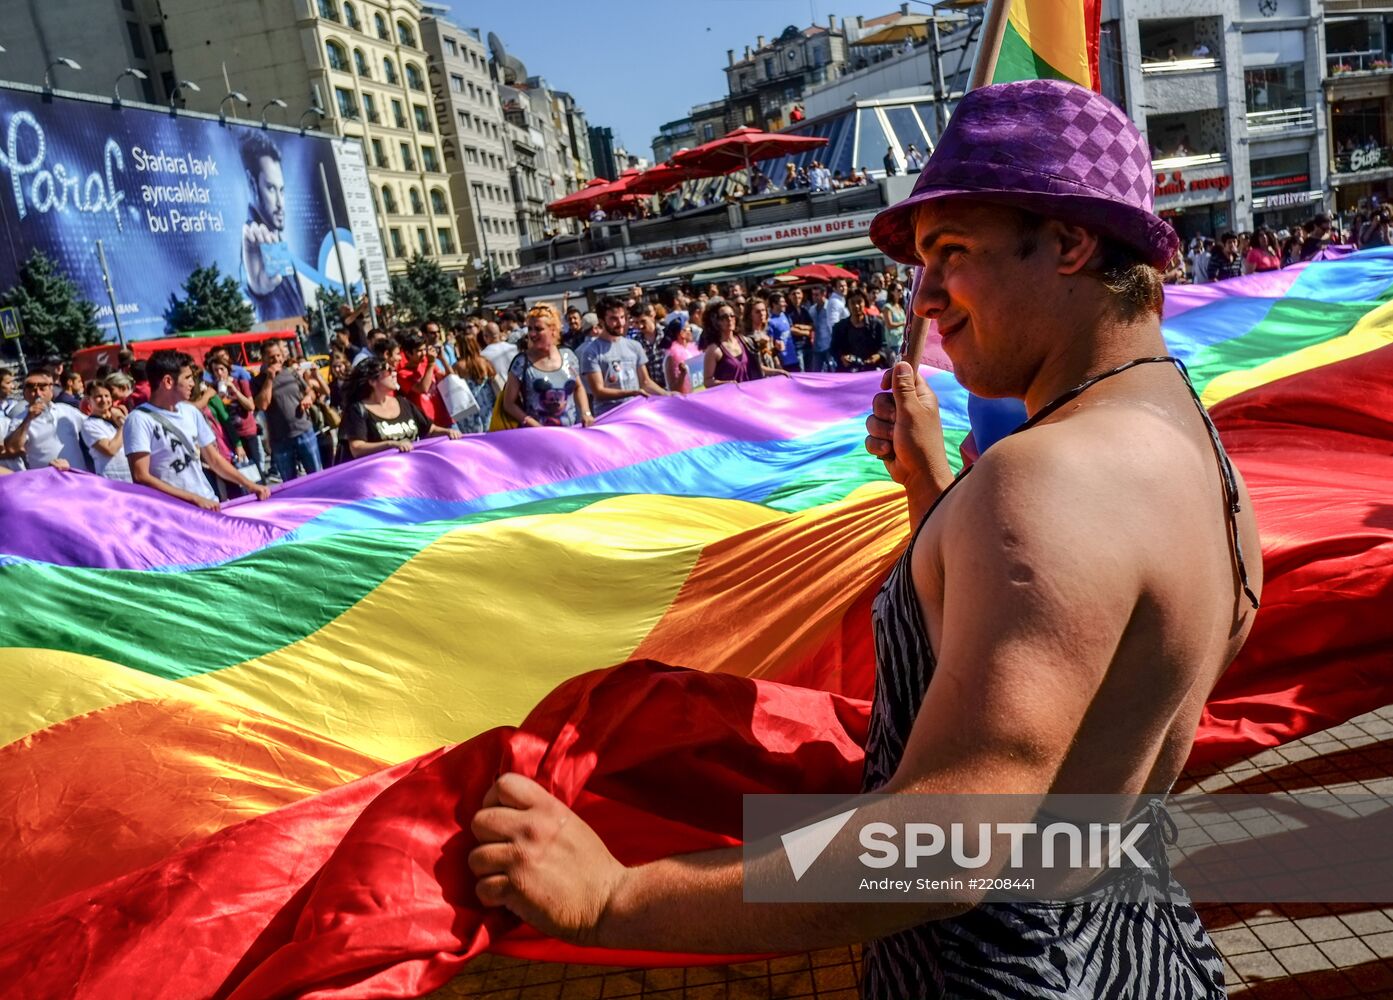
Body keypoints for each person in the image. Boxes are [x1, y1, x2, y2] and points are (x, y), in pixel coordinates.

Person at [465, 80, 1260, 999]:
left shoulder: (1050, 477)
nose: (922, 298)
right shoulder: (1207, 462)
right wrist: (933, 489)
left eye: (949, 253)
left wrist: (616, 897)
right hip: (1142, 955)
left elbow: (957, 842)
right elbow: (1076, 691)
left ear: (1073, 242)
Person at [125, 350, 269, 509]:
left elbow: (214, 460)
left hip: (208, 502)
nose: (193, 383)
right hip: (175, 512)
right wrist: (192, 499)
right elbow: (141, 476)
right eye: (187, 378)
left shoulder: (191, 412)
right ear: (168, 381)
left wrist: (250, 485)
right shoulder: (139, 420)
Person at [239, 133, 307, 323]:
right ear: (253, 184)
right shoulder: (252, 240)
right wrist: (257, 291)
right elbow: (254, 284)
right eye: (270, 188)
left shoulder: (274, 238)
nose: (280, 203)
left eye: (282, 190)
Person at [338, 357, 462, 460]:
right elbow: (357, 448)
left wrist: (447, 432)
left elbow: (429, 429)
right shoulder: (357, 410)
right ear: (372, 381)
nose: (394, 372)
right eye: (388, 370)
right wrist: (390, 445)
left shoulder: (403, 403)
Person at [503, 304, 594, 428]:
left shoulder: (568, 356)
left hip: (570, 434)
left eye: (538, 329)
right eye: (530, 329)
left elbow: (578, 387)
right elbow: (508, 403)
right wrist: (532, 424)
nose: (532, 334)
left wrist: (586, 412)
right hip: (538, 438)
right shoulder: (521, 362)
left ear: (553, 330)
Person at [578, 296, 668, 417]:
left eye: (622, 317)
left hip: (637, 412)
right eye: (613, 319)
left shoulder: (634, 346)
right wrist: (631, 393)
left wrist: (668, 395)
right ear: (601, 321)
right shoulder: (591, 352)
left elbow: (646, 382)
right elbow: (598, 391)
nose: (620, 323)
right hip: (611, 416)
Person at [252, 340, 322, 482]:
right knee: (290, 484)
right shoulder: (257, 382)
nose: (277, 360)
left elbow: (310, 392)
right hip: (280, 440)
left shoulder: (291, 373)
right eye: (272, 357)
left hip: (304, 432)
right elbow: (262, 405)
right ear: (263, 358)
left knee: (317, 477)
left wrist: (308, 398)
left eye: (279, 355)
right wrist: (270, 379)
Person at [4, 366, 86, 470]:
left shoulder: (66, 411)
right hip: (46, 481)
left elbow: (91, 428)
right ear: (25, 392)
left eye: (42, 388)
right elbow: (12, 449)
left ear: (51, 390)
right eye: (31, 389)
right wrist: (28, 419)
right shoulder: (19, 420)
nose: (38, 394)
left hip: (77, 477)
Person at [699, 299, 787, 386]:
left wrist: (777, 372)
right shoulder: (714, 350)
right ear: (716, 321)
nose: (729, 319)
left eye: (732, 316)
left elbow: (758, 367)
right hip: (730, 398)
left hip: (750, 395)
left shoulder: (744, 341)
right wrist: (727, 384)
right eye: (724, 317)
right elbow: (708, 381)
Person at [80, 380, 132, 481]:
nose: (104, 400)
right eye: (98, 397)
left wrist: (121, 419)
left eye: (107, 396)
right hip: (111, 480)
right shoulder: (89, 425)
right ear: (89, 400)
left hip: (132, 478)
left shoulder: (119, 418)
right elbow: (110, 449)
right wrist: (123, 426)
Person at [450, 332, 498, 434]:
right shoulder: (484, 362)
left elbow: (451, 381)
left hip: (468, 407)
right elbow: (493, 377)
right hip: (486, 404)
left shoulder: (458, 366)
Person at [831, 290, 890, 372]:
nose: (856, 306)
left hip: (871, 370)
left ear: (865, 303)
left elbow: (884, 346)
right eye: (852, 303)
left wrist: (878, 356)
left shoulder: (876, 324)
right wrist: (842, 357)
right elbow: (833, 348)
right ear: (847, 305)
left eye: (859, 302)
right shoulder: (840, 327)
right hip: (847, 371)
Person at [807, 283, 848, 373]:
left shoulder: (831, 306)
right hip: (817, 346)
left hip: (830, 344)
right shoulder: (812, 310)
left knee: (833, 369)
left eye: (817, 294)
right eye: (813, 295)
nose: (815, 297)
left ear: (823, 294)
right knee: (817, 372)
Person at [627, 302, 666, 389]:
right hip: (652, 391)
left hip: (671, 386)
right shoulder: (635, 343)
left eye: (643, 321)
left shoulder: (667, 334)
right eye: (636, 323)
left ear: (652, 315)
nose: (640, 326)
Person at [662, 315, 702, 393]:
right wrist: (682, 374)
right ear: (682, 333)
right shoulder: (671, 357)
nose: (691, 332)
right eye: (689, 329)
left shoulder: (692, 350)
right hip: (683, 401)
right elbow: (673, 388)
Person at [881, 282, 908, 361]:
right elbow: (889, 324)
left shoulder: (900, 306)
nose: (901, 292)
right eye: (899, 290)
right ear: (892, 292)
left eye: (902, 290)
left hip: (903, 341)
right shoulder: (887, 307)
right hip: (894, 343)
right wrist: (903, 323)